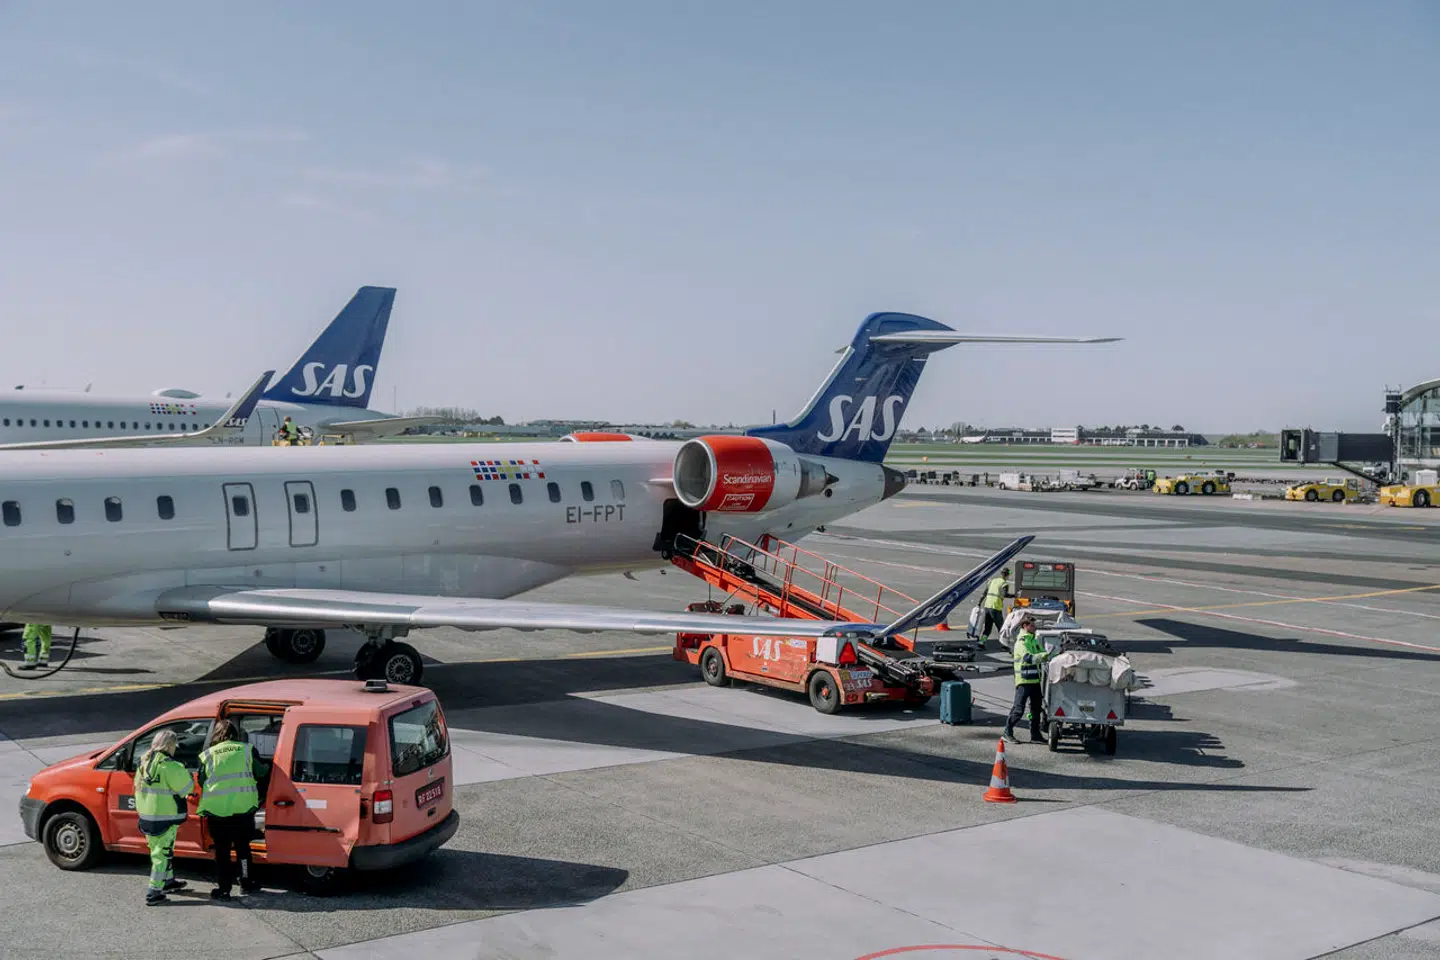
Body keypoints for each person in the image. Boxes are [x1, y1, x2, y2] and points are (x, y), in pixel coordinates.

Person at [196, 719, 267, 899]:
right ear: (235, 735)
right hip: (243, 809)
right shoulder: (247, 750)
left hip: (217, 812)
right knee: (243, 848)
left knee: (222, 852)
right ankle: (246, 883)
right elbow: (261, 772)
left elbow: (202, 781)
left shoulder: (207, 755)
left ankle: (224, 888)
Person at [134, 729, 193, 905]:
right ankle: (154, 892)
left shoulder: (143, 763)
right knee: (162, 855)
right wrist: (187, 775)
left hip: (147, 816)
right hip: (166, 817)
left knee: (159, 851)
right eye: (174, 745)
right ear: (169, 745)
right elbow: (186, 789)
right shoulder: (170, 766)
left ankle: (168, 882)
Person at [1004, 615, 1049, 744]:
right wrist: (1045, 655)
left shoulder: (1034, 640)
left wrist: (1049, 655)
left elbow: (1042, 653)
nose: (1035, 627)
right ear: (1025, 626)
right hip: (1023, 681)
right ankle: (1007, 732)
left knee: (1036, 709)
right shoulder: (1022, 642)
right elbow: (1029, 658)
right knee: (1018, 709)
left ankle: (1035, 734)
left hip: (1035, 681)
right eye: (1032, 625)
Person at [976, 567, 1011, 649]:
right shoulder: (1004, 584)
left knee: (988, 627)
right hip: (995, 607)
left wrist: (979, 603)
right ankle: (1004, 644)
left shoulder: (992, 581)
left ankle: (982, 642)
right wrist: (1015, 595)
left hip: (987, 606)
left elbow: (984, 593)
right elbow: (1004, 594)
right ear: (1007, 575)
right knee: (1001, 627)